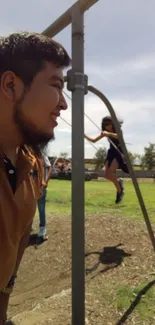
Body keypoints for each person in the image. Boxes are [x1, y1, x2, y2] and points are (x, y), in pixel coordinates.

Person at [0, 31, 70, 324]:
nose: (64, 105)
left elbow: (15, 251)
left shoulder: (31, 169)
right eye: (56, 85)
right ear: (12, 85)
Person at [85, 116, 128, 204]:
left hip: (119, 151)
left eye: (109, 124)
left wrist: (108, 134)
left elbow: (119, 136)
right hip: (111, 152)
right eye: (105, 125)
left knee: (111, 172)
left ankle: (120, 191)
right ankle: (119, 184)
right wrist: (84, 136)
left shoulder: (117, 130)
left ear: (112, 123)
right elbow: (94, 140)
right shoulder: (105, 132)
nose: (107, 126)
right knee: (106, 175)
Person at [37, 153, 52, 238]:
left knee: (41, 208)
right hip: (30, 187)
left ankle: (42, 228)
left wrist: (46, 181)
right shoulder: (27, 154)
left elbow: (49, 168)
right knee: (28, 208)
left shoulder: (42, 155)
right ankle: (27, 227)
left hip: (41, 187)